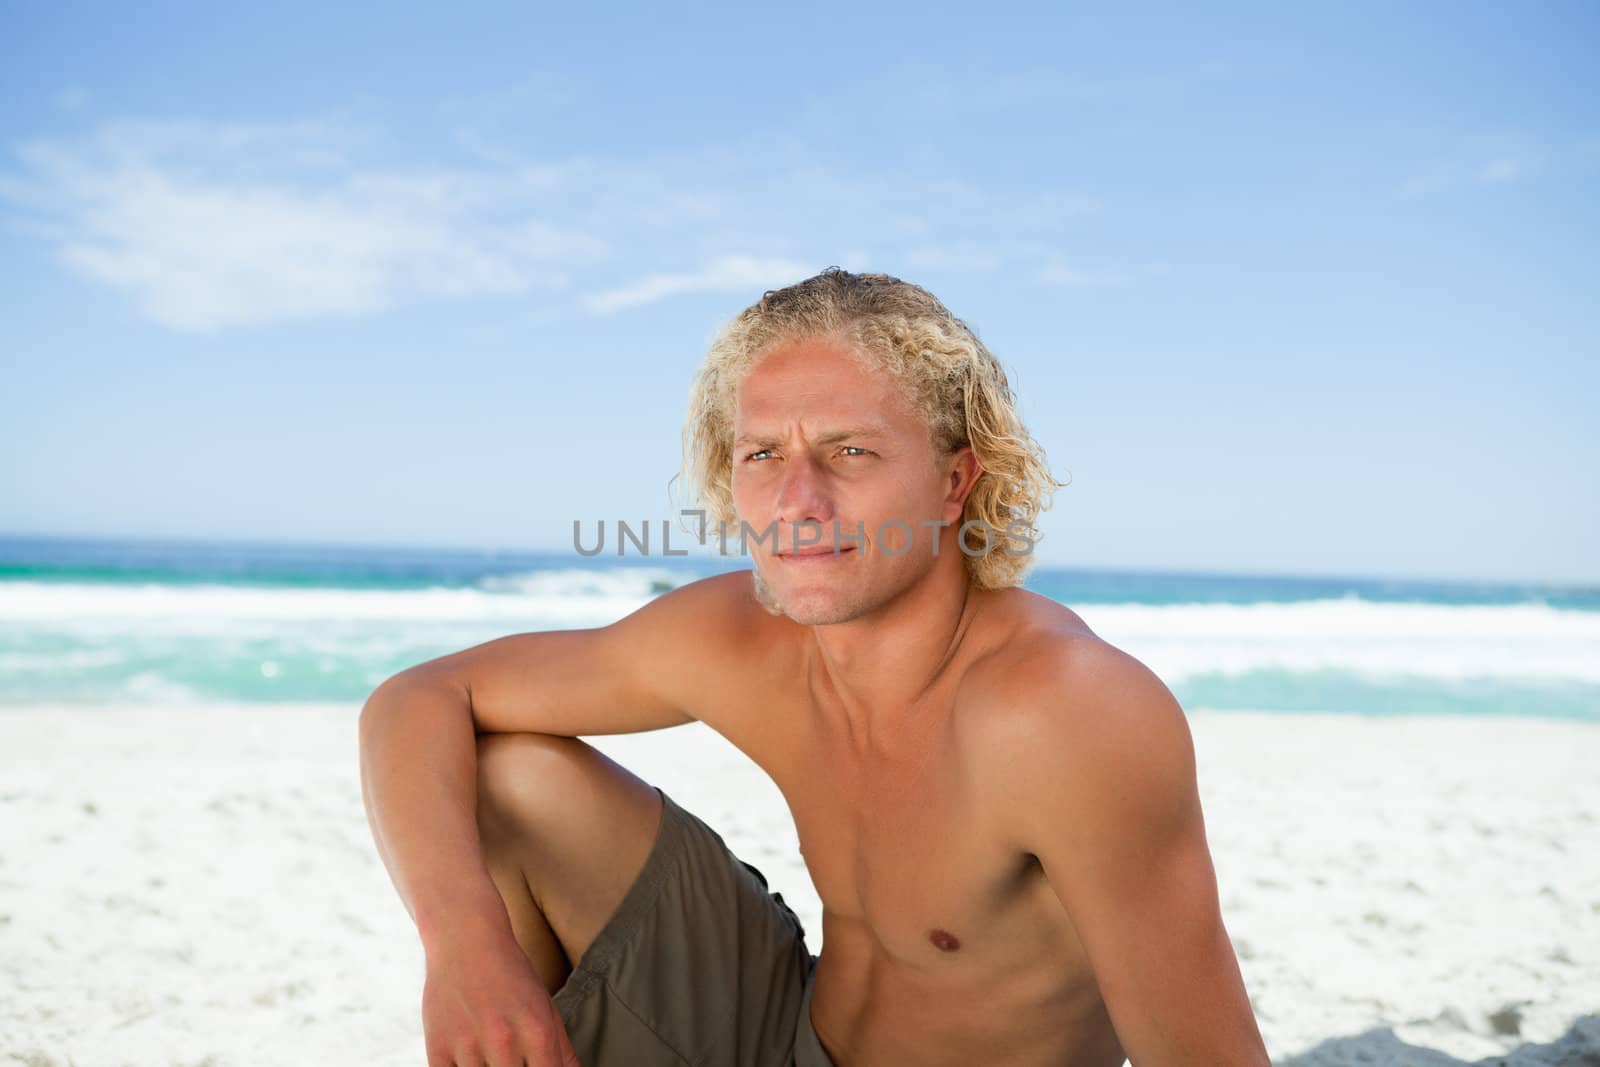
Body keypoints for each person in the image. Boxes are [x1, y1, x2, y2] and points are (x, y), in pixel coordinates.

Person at [359, 269, 1271, 1067]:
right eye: (764, 454)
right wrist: (464, 946)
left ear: (956, 482)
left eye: (850, 451)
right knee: (507, 776)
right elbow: (419, 697)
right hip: (783, 1030)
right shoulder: (742, 638)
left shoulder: (1062, 710)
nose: (798, 501)